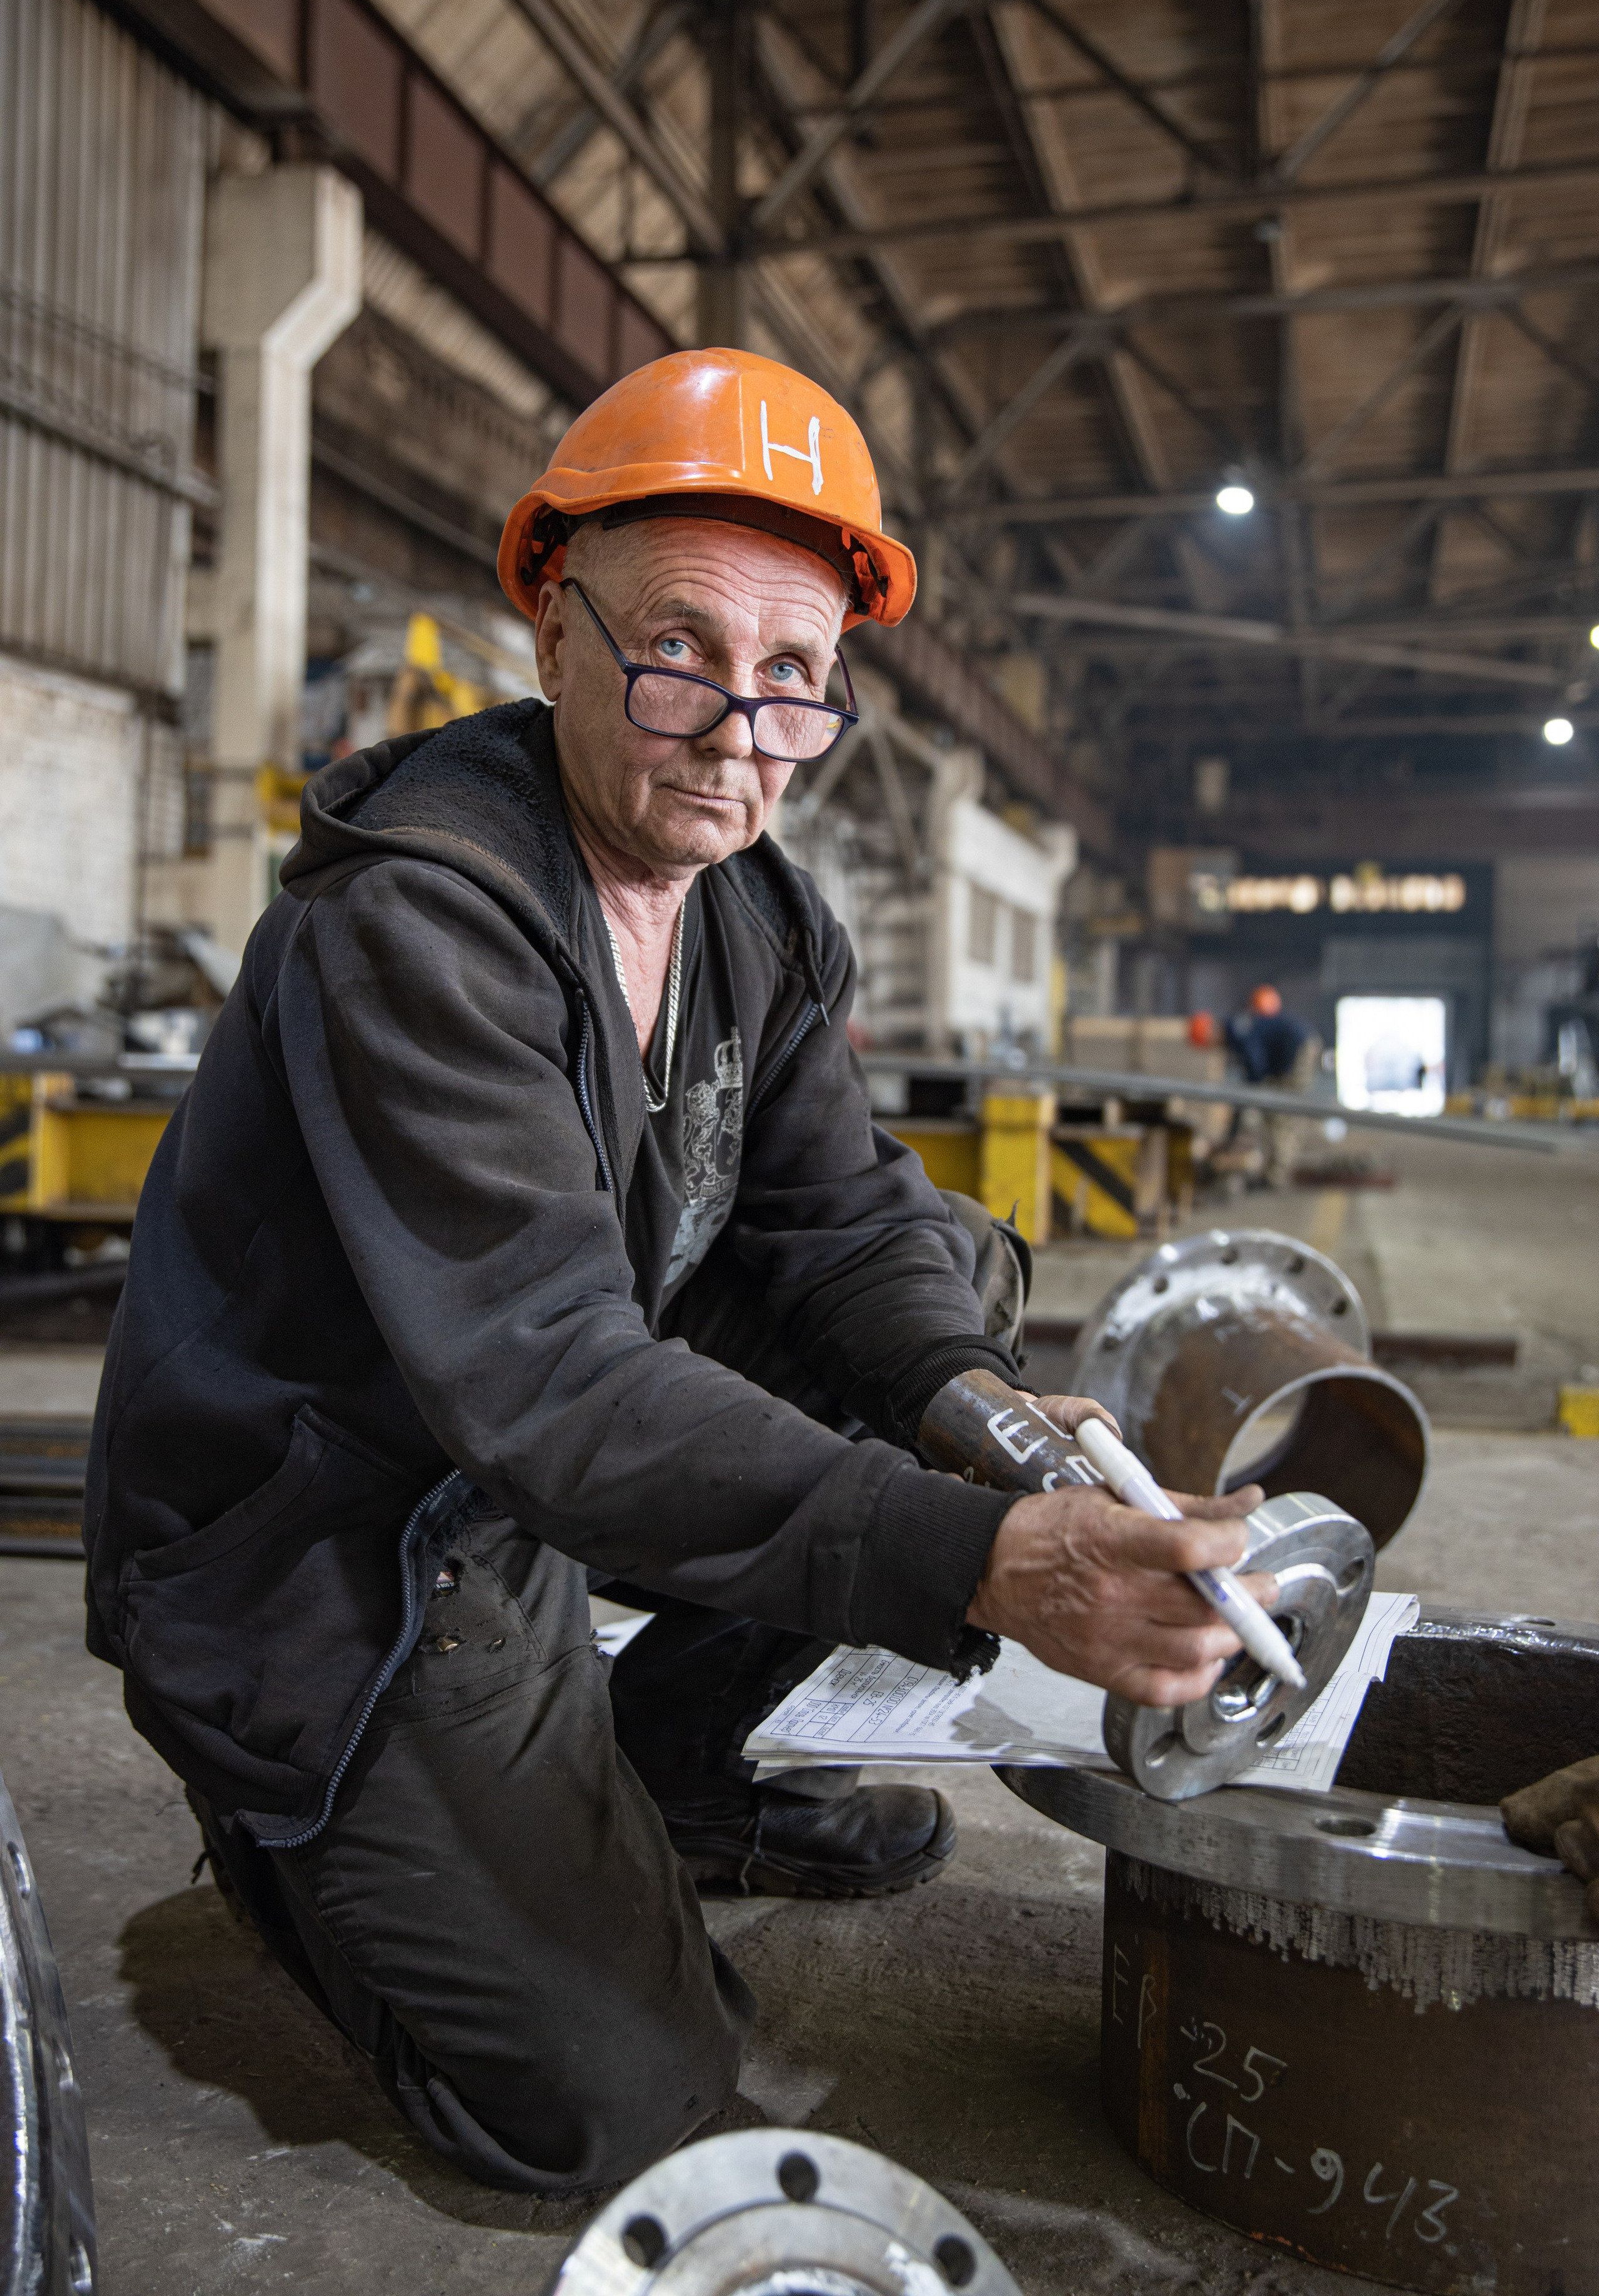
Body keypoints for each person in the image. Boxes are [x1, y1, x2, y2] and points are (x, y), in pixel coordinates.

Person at [84, 349, 1272, 2196]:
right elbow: (555, 1375)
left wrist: (992, 1426)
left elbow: (845, 1218)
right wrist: (982, 1560)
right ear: (550, 628)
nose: (737, 728)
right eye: (678, 648)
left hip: (529, 1452)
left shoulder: (758, 904)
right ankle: (301, 1824)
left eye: (793, 677)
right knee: (634, 2106)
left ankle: (670, 1778)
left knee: (946, 1290)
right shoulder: (417, 911)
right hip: (344, 1532)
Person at [1225, 984, 1320, 1187]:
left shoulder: (1245, 1030)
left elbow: (1255, 1064)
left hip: (1299, 1054)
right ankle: (1275, 1170)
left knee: (1280, 1115)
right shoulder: (1252, 1025)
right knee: (1277, 1114)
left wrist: (1251, 1090)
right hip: (1299, 1053)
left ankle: (1277, 1175)